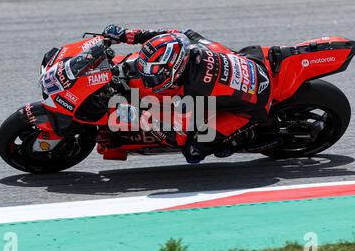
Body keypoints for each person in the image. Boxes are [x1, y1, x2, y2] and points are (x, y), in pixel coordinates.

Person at [102, 24, 273, 163]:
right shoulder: (186, 41)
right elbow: (163, 36)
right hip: (252, 62)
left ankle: (236, 140)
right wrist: (125, 34)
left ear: (176, 69)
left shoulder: (192, 94)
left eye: (156, 75)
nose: (149, 80)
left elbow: (176, 137)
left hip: (254, 105)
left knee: (193, 151)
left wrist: (139, 116)